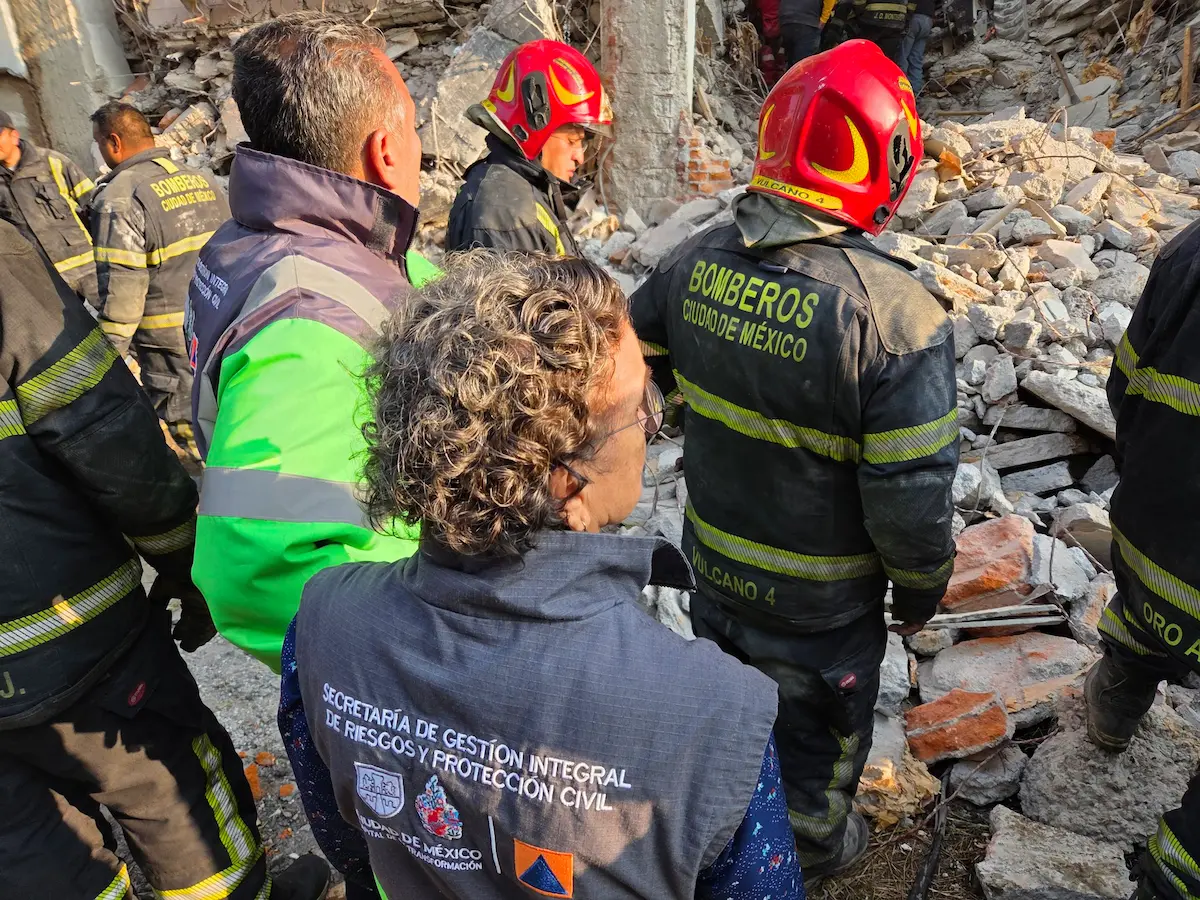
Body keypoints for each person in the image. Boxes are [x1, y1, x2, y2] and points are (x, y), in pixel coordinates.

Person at [280, 249, 804, 900]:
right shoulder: (716, 711)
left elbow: (349, 844)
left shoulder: (324, 620)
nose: (652, 421)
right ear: (566, 481)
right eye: (642, 407)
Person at [629, 41, 956, 884]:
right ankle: (807, 850)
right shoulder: (897, 317)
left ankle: (723, 824)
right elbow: (909, 497)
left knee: (730, 712)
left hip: (712, 569)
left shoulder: (693, 259)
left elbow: (629, 368)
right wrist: (920, 590)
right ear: (884, 161)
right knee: (817, 738)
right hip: (822, 609)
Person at [0, 218, 330, 900]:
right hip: (66, 644)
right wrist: (184, 558)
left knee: (32, 850)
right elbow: (103, 433)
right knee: (172, 796)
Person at [185, 12, 432, 671]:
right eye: (415, 131)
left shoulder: (258, 235)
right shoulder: (308, 311)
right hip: (398, 663)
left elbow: (396, 287)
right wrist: (426, 660)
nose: (421, 151)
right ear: (384, 149)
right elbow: (253, 562)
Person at [1084, 216, 1200, 900]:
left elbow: (1122, 385)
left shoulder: (1192, 246)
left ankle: (1119, 701)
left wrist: (1148, 473)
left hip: (1157, 543)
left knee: (1143, 613)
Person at [89, 101, 230, 466]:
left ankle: (229, 509)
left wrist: (103, 367)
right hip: (225, 328)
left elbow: (122, 297)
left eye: (99, 144)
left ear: (114, 143)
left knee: (202, 442)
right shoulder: (200, 179)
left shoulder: (119, 200)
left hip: (173, 352)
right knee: (238, 421)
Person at [446, 40, 612, 255]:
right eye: (572, 141)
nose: (580, 158)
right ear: (535, 126)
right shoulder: (505, 214)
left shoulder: (526, 188)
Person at [0, 110, 98, 302]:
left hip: (89, 270)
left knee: (116, 326)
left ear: (14, 136)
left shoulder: (52, 162)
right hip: (45, 281)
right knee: (80, 332)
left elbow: (95, 206)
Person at [779, 0, 838, 66]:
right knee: (803, 65)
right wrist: (823, 20)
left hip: (785, 18)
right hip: (807, 21)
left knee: (791, 61)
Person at [898, 0, 933, 96]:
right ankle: (916, 92)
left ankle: (901, 90)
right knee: (916, 59)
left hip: (914, 18)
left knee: (902, 56)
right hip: (928, 20)